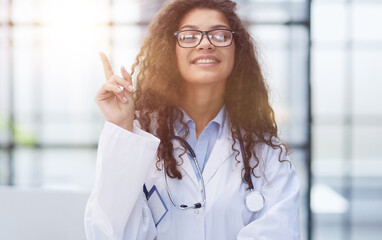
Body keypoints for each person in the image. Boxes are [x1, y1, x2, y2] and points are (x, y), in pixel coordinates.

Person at [84, 0, 300, 239]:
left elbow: (280, 232)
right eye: (189, 36)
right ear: (170, 50)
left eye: (219, 35)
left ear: (236, 49)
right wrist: (121, 127)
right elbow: (109, 233)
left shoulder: (265, 152)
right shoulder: (137, 138)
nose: (205, 43)